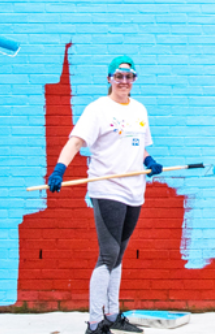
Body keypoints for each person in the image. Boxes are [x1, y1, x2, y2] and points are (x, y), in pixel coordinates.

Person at [47, 55, 163, 334]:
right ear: (109, 78)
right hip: (107, 188)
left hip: (135, 190)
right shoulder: (98, 109)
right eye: (118, 76)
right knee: (108, 255)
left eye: (129, 77)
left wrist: (149, 162)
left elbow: (140, 147)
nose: (124, 82)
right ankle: (95, 323)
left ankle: (112, 314)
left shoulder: (139, 110)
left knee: (119, 254)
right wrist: (59, 169)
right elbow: (75, 141)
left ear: (134, 80)